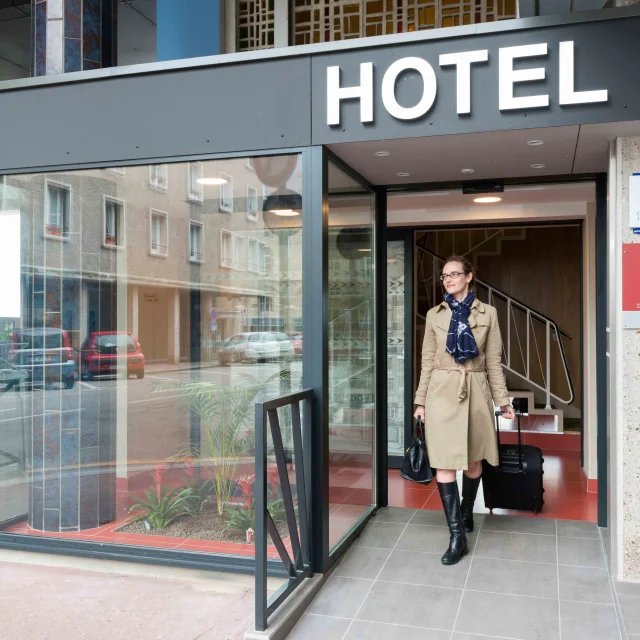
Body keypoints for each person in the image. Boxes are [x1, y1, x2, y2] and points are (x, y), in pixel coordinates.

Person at [414, 256, 514, 566]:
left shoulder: (489, 314)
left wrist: (503, 401)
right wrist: (420, 402)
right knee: (444, 464)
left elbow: (494, 362)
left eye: (454, 274)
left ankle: (467, 510)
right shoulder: (434, 315)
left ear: (469, 277)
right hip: (441, 394)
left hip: (475, 391)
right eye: (444, 275)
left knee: (472, 463)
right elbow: (428, 361)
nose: (448, 279)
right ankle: (456, 535)